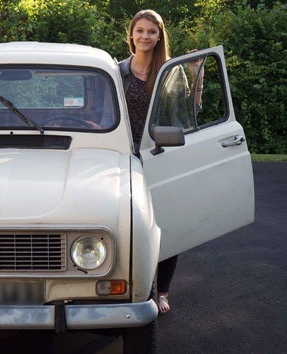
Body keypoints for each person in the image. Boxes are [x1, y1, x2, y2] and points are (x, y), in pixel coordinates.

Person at [119, 9, 203, 315]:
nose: (144, 36)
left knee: (166, 225)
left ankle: (163, 290)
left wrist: (197, 78)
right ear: (131, 35)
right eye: (139, 30)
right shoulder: (118, 71)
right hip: (124, 160)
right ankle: (129, 287)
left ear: (159, 36)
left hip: (160, 155)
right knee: (128, 226)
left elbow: (188, 114)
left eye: (151, 32)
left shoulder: (170, 71)